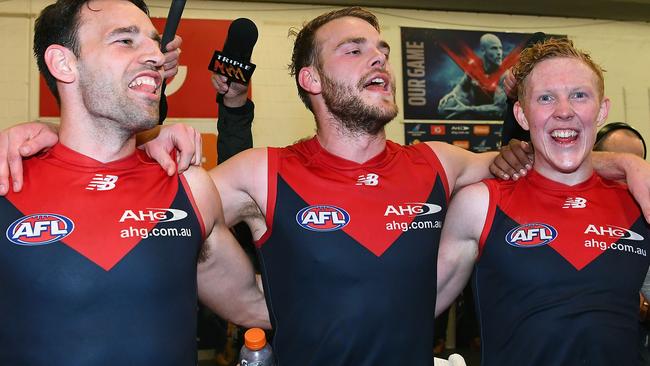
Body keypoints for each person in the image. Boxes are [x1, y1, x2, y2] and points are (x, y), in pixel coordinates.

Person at [3, 6, 650, 366]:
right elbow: (141, 203)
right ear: (310, 80)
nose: (377, 58)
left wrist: (626, 163)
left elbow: (555, 164)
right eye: (352, 48)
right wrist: (38, 134)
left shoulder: (443, 165)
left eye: (380, 48)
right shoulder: (259, 173)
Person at [0, 1, 268, 365]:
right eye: (125, 40)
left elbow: (256, 304)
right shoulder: (8, 180)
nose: (157, 57)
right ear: (64, 64)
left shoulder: (188, 186)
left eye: (155, 42)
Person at [436, 38, 650, 365]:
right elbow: (413, 310)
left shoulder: (639, 203)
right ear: (522, 115)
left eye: (579, 95)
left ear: (602, 110)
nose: (564, 111)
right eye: (546, 98)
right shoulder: (481, 205)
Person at [437, 33, 507, 119]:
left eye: (500, 48)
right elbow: (462, 87)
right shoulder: (475, 68)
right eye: (494, 48)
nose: (499, 53)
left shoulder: (504, 75)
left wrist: (468, 109)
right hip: (475, 113)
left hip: (496, 119)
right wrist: (453, 94)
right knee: (446, 106)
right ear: (483, 50)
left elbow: (499, 109)